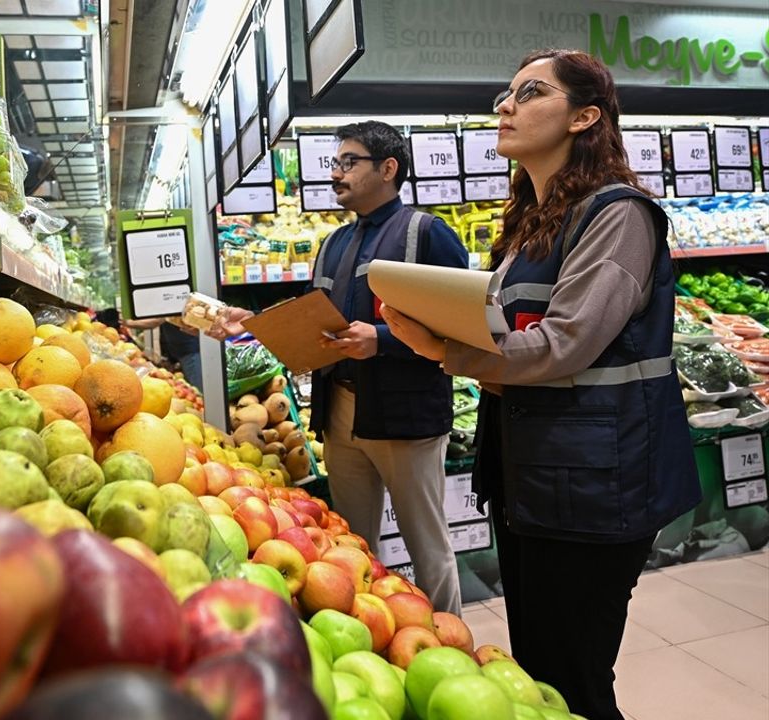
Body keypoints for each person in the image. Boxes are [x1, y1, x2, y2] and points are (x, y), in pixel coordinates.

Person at [382, 49, 701, 720]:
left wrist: (448, 348)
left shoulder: (618, 215)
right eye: (506, 93)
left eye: (529, 93)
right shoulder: (530, 224)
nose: (505, 105)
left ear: (585, 117)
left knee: (573, 676)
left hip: (597, 485)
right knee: (538, 675)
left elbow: (566, 342)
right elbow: (517, 338)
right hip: (534, 474)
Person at [211, 121, 467, 615]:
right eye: (335, 163)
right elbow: (318, 318)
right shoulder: (333, 243)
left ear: (388, 169)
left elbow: (464, 326)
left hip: (404, 415)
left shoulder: (427, 234)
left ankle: (450, 638)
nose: (336, 174)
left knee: (427, 545)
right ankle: (375, 640)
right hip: (342, 411)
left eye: (349, 162)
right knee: (349, 546)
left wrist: (385, 340)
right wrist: (258, 322)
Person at [121, 316, 202, 389]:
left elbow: (155, 321)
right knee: (189, 387)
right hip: (180, 352)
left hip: (190, 352)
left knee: (198, 389)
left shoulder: (172, 303)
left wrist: (128, 323)